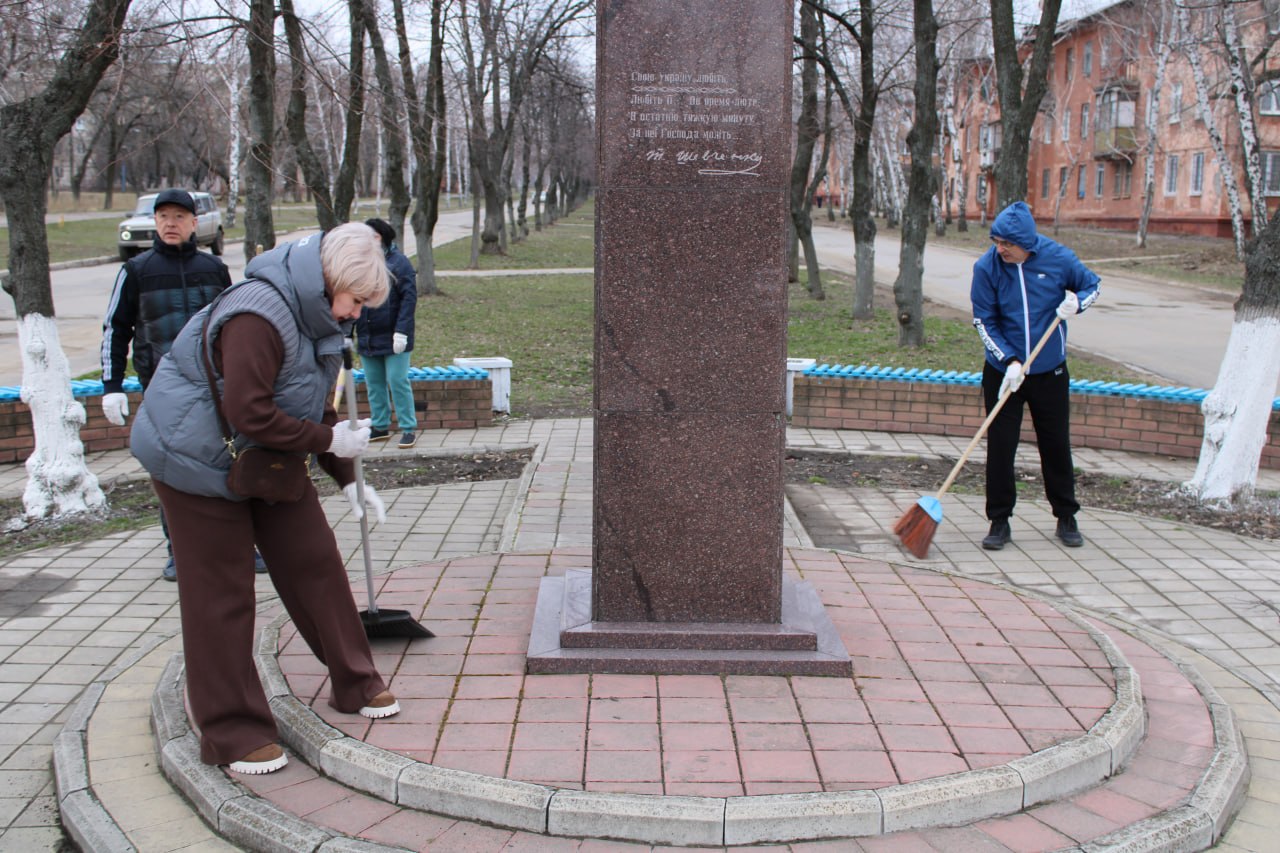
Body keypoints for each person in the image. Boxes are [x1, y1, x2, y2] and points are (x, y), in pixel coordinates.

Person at [128, 222, 400, 775]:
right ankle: (232, 730)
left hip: (261, 457)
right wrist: (327, 440)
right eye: (356, 301)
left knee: (315, 561)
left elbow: (307, 402)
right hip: (193, 460)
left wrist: (349, 476)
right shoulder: (257, 314)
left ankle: (355, 681)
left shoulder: (318, 317)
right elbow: (248, 412)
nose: (357, 315)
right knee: (222, 592)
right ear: (331, 282)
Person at [99, 188, 269, 581]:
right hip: (162, 387)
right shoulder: (136, 271)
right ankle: (179, 550)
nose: (170, 224)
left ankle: (243, 543)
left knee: (234, 459)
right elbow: (116, 329)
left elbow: (233, 322)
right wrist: (112, 384)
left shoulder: (213, 270)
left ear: (195, 223)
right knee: (170, 465)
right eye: (163, 217)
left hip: (215, 384)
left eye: (179, 217)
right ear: (154, 223)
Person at [970, 201, 1100, 550]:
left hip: (1049, 371)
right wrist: (1009, 360)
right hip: (1004, 373)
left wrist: (1078, 303)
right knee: (1001, 447)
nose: (1000, 249)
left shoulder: (1059, 259)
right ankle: (999, 520)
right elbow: (984, 320)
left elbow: (1092, 285)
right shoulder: (987, 268)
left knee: (1055, 444)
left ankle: (1066, 515)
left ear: (1026, 242)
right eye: (996, 241)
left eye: (1007, 244)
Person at [355, 218, 419, 449]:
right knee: (374, 383)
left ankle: (408, 427)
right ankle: (380, 426)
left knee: (397, 380)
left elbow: (408, 300)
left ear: (378, 237)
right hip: (368, 334)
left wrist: (401, 331)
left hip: (394, 336)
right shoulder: (363, 263)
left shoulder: (399, 263)